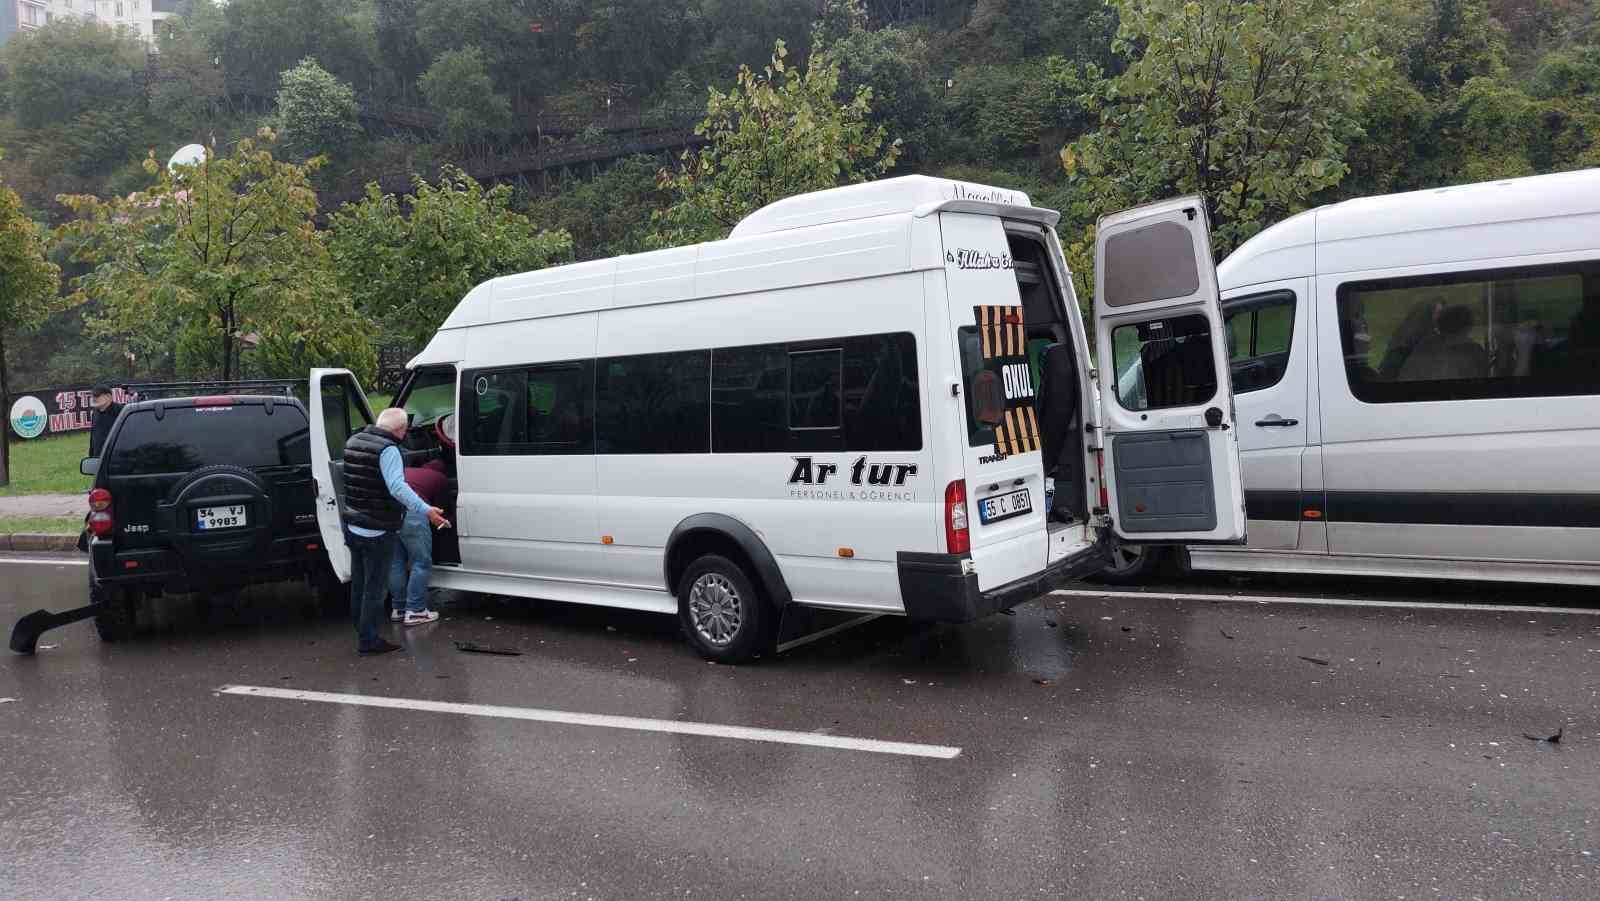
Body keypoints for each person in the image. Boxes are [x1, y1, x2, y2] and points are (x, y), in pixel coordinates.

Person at [341, 408, 450, 656]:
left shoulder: (354, 440)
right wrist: (426, 510)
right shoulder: (388, 449)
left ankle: (361, 628)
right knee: (375, 589)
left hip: (353, 525)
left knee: (359, 582)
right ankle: (369, 641)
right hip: (377, 529)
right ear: (400, 430)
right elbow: (397, 487)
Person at [388, 459, 448, 626]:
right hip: (412, 512)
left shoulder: (408, 471)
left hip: (387, 512)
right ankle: (415, 610)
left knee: (395, 563)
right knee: (420, 562)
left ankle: (399, 608)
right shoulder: (439, 478)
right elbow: (442, 509)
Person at [87, 385, 122, 458]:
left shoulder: (121, 411)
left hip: (116, 457)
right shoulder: (95, 413)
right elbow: (93, 437)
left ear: (108, 396)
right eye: (93, 395)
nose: (94, 398)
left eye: (97, 395)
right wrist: (91, 456)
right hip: (98, 457)